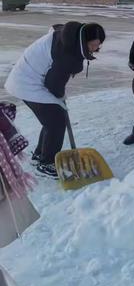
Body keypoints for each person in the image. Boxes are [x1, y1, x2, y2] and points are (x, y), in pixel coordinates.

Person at [4, 22, 105, 178]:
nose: (94, 49)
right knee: (56, 121)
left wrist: (59, 99)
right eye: (92, 45)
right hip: (27, 84)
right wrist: (59, 98)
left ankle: (40, 155)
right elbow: (53, 85)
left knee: (51, 119)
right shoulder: (66, 55)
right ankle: (47, 163)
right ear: (82, 40)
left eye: (97, 45)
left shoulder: (67, 38)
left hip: (25, 77)